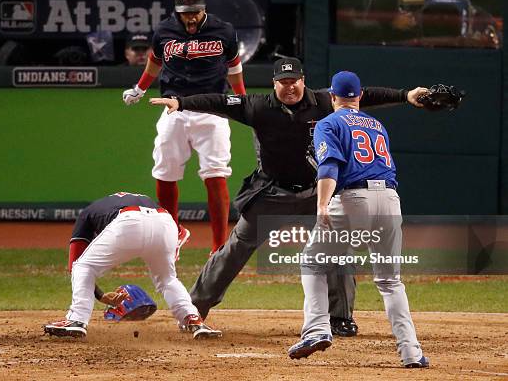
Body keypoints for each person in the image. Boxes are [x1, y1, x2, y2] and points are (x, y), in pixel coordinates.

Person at [149, 57, 429, 337]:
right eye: (283, 82)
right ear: (274, 84)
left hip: (313, 193)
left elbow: (365, 95)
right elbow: (219, 102)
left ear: (303, 81)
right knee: (235, 248)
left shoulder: (323, 102)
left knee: (337, 250)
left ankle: (341, 317)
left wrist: (406, 95)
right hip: (272, 192)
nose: (289, 87)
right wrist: (181, 103)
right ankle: (194, 309)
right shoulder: (258, 106)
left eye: (293, 81)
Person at [287, 71, 429, 368]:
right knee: (391, 281)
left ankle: (316, 329)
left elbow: (329, 166)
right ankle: (412, 353)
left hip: (353, 199)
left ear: (333, 97)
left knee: (312, 263)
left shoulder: (328, 122)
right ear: (360, 96)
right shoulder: (377, 125)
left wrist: (322, 204)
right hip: (390, 199)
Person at [122, 0, 246, 255]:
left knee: (215, 174)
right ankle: (173, 233)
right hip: (173, 107)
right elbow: (154, 62)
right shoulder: (165, 31)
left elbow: (234, 68)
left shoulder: (223, 31)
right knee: (165, 173)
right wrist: (140, 88)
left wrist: (242, 100)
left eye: (195, 12)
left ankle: (218, 246)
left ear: (204, 10)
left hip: (212, 108)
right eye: (185, 13)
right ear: (177, 12)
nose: (190, 18)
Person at [44, 192, 222, 339]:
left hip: (128, 221)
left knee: (83, 266)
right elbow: (181, 233)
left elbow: (74, 263)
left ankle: (77, 319)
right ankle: (192, 319)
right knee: (168, 279)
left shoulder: (86, 214)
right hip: (166, 222)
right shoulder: (139, 200)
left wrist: (100, 296)